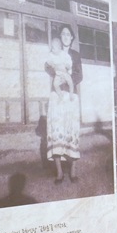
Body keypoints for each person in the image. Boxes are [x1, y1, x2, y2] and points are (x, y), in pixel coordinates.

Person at [46, 25, 83, 184]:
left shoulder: (75, 55)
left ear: (72, 37)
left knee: (71, 129)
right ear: (60, 38)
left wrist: (67, 78)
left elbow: (79, 75)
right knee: (57, 130)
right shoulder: (54, 53)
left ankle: (73, 170)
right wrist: (57, 73)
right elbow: (47, 67)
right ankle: (59, 172)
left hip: (71, 95)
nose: (66, 36)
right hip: (57, 96)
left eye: (68, 34)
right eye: (63, 34)